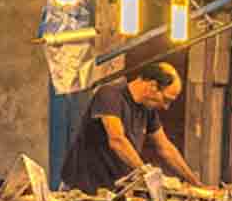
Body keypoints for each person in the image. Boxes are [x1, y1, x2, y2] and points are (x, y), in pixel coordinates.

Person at [59, 63, 203, 193]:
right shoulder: (110, 95)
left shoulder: (148, 109)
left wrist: (196, 184)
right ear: (152, 86)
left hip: (112, 189)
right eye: (166, 100)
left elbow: (165, 147)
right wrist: (147, 173)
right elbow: (117, 140)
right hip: (82, 187)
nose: (166, 107)